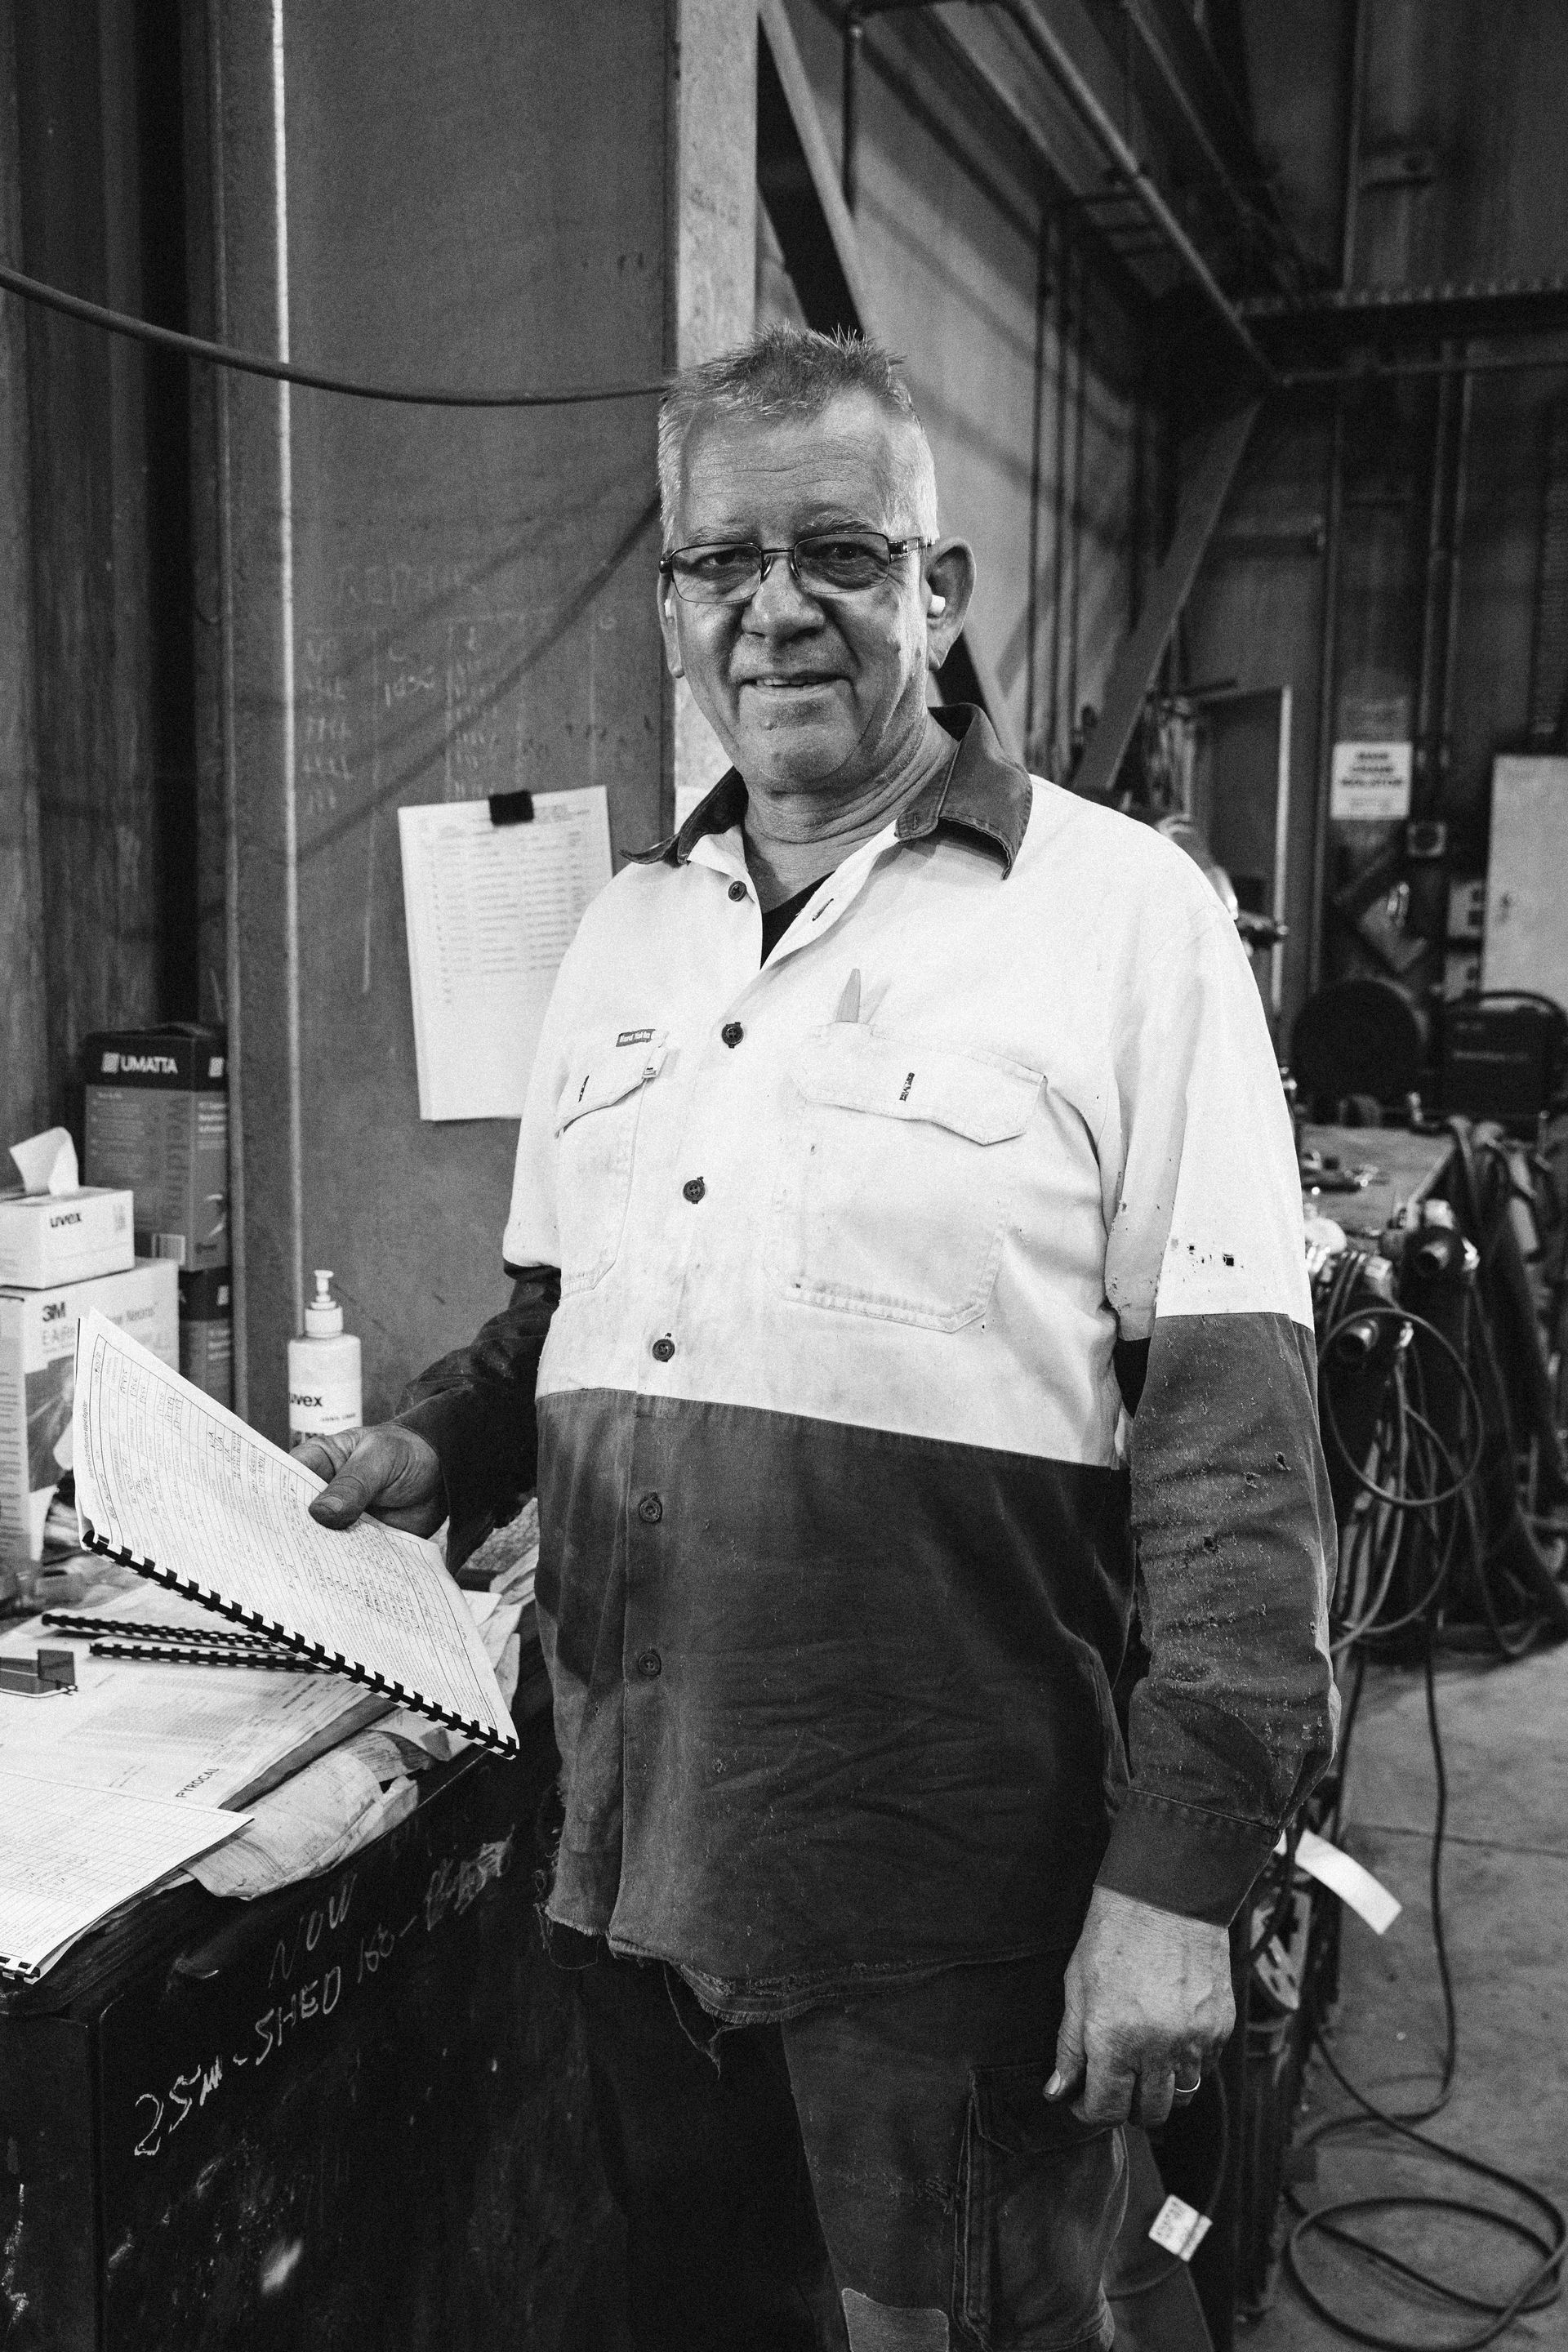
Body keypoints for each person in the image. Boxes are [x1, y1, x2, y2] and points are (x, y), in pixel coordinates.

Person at [300, 326, 1337, 2352]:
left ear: (939, 595)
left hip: (939, 1902)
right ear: (677, 600)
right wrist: (440, 1442)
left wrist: (1184, 1881)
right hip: (626, 1863)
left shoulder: (1126, 922)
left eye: (843, 552)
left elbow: (1235, 1452)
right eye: (722, 563)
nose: (779, 608)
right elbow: (566, 1309)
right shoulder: (629, 933)